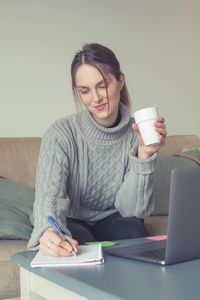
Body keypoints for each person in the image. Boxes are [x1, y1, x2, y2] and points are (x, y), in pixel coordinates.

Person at [28, 43, 167, 257]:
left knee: (134, 232)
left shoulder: (136, 133)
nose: (95, 98)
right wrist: (48, 231)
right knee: (79, 246)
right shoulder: (60, 133)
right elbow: (49, 198)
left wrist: (144, 154)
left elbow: (132, 211)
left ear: (120, 81)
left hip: (115, 218)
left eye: (102, 86)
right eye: (85, 91)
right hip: (72, 219)